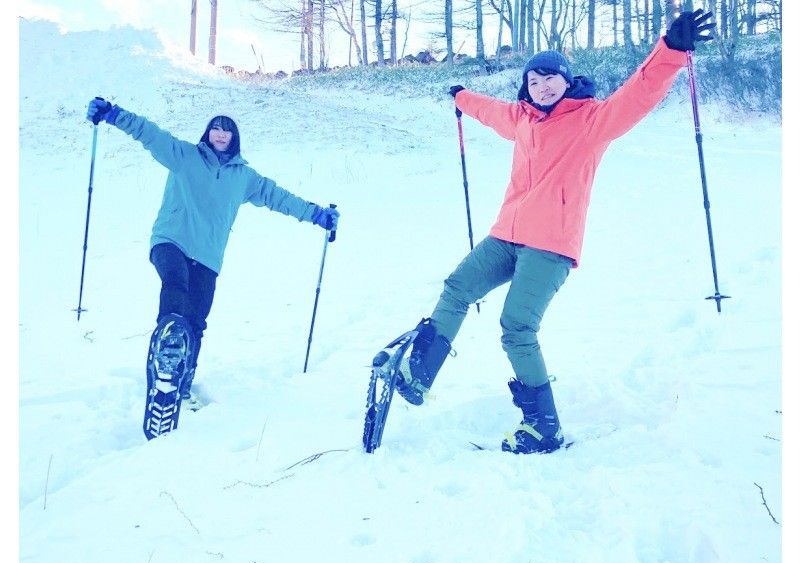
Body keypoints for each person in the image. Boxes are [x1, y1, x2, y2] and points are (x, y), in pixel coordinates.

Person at [391, 10, 715, 454]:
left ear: (567, 82)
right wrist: (462, 96)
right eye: (534, 81)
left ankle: (544, 428)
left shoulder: (592, 121)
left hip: (550, 246)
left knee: (516, 326)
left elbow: (638, 94)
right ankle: (418, 377)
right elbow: (490, 110)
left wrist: (671, 50)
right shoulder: (522, 119)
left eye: (551, 79)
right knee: (457, 287)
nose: (542, 87)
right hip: (507, 233)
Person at [85, 99, 340, 408]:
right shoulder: (184, 156)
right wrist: (113, 114)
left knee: (196, 321)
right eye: (216, 128)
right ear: (207, 133)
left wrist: (316, 215)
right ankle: (168, 342)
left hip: (207, 255)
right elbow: (148, 133)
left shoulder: (244, 178)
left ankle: (181, 382)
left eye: (227, 130)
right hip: (171, 240)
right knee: (175, 282)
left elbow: (278, 197)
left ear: (234, 138)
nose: (221, 133)